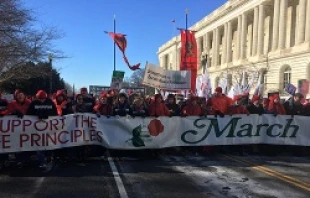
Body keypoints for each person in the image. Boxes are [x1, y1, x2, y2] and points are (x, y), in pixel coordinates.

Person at [26, 90, 58, 169]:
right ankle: (41, 161)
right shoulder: (33, 103)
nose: (42, 100)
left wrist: (47, 115)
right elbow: (28, 114)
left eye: (43, 99)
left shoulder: (50, 102)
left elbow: (55, 113)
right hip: (37, 129)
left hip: (48, 127)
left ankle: (48, 158)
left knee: (48, 143)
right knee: (39, 145)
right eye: (40, 99)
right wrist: (37, 115)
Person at [7, 89, 31, 168]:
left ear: (24, 95)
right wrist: (13, 113)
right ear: (16, 96)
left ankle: (27, 159)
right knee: (17, 143)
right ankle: (19, 160)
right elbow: (7, 113)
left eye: (21, 94)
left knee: (26, 143)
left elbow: (33, 112)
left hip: (27, 128)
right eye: (18, 95)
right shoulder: (12, 104)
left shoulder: (29, 103)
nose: (20, 96)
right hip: (16, 129)